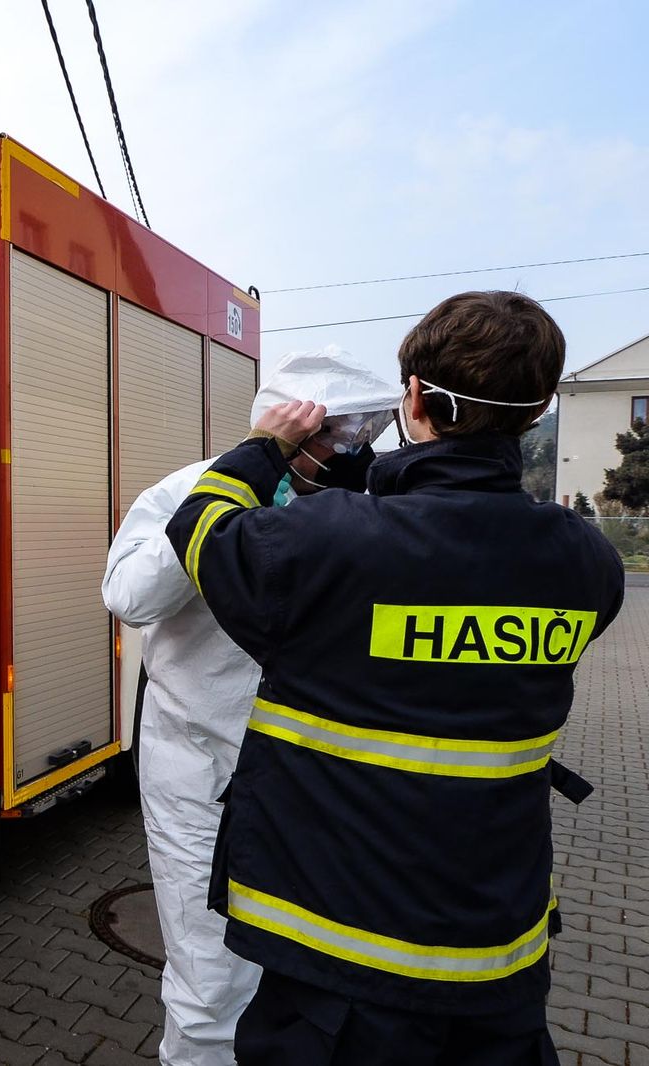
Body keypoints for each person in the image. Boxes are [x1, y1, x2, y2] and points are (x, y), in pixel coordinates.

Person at [163, 291, 625, 1065]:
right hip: (495, 959)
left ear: (414, 397)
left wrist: (264, 448)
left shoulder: (329, 544)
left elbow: (203, 527)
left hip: (340, 963)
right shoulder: (586, 563)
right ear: (540, 405)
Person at [102, 347, 398, 1066]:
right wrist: (236, 486)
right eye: (333, 439)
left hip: (315, 782)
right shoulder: (193, 488)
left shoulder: (361, 508)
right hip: (203, 774)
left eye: (365, 438)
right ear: (284, 430)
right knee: (211, 979)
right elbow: (129, 597)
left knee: (301, 975)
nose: (349, 455)